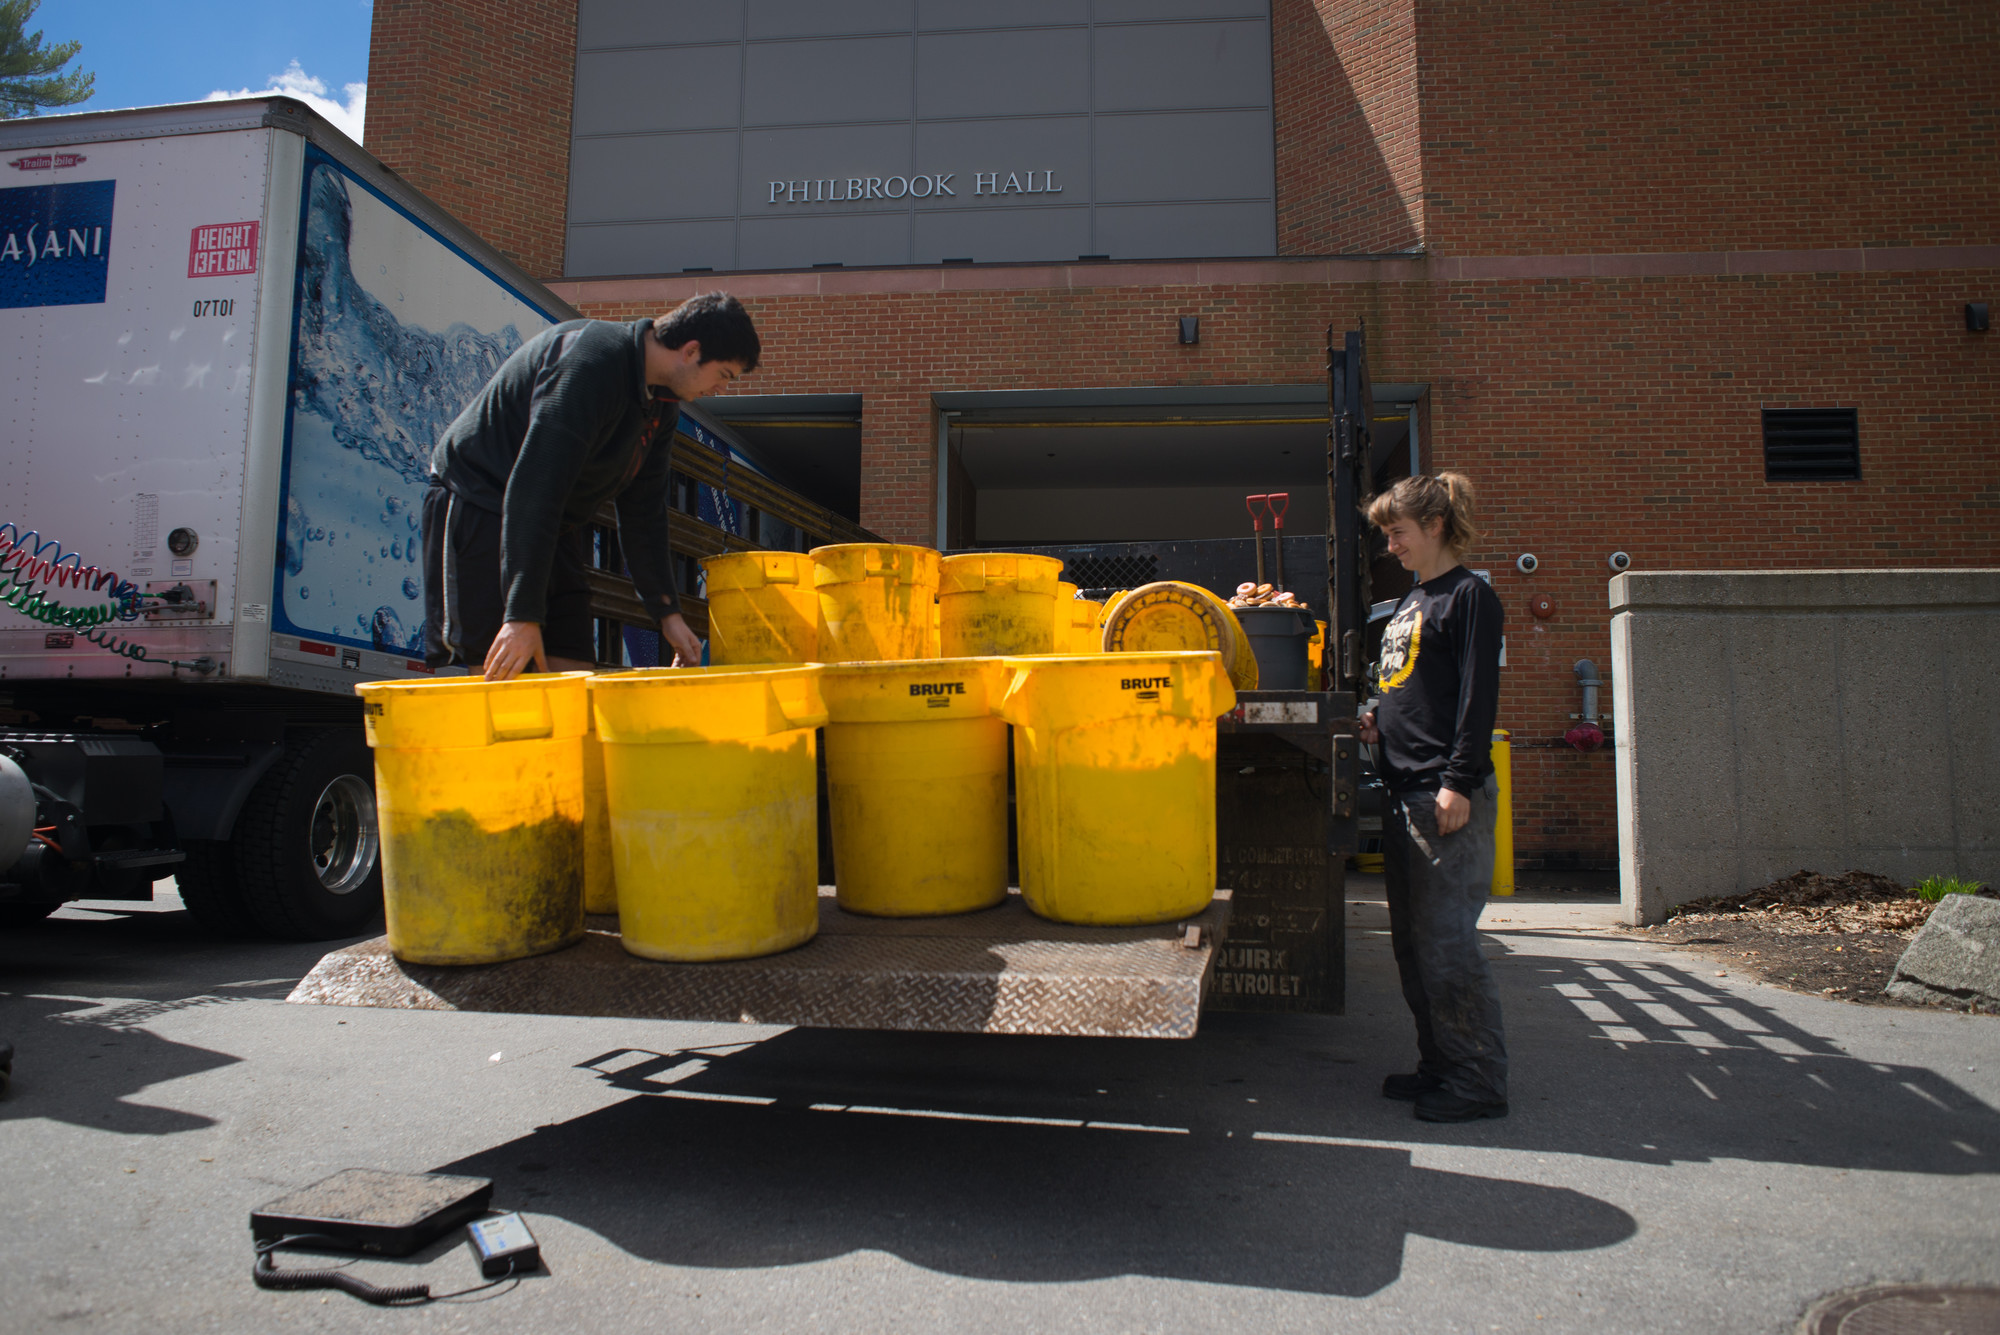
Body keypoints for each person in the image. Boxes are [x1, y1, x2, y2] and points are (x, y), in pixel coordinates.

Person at [421, 292, 761, 680]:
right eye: (724, 375)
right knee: (501, 675)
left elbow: (644, 513)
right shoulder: (592, 361)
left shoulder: (661, 406)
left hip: (549, 524)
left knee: (576, 672)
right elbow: (534, 486)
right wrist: (520, 615)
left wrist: (667, 614)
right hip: (478, 500)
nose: (720, 389)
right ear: (691, 350)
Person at [1356, 473, 1509, 1123]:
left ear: (1436, 526)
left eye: (1398, 532)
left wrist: (1458, 781)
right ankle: (1440, 1064)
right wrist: (1377, 719)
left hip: (1442, 794)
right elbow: (1409, 689)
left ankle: (1477, 1081)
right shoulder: (1412, 601)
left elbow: (1476, 700)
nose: (1390, 545)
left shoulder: (1470, 596)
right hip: (1404, 791)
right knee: (1413, 946)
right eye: (1387, 534)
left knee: (1447, 945)